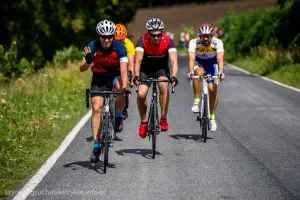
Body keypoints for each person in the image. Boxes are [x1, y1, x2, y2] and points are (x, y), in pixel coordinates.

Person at [79, 20, 129, 163]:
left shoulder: (120, 47)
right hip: (99, 77)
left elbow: (124, 70)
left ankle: (118, 115)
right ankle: (96, 146)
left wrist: (125, 88)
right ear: (99, 36)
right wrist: (88, 61)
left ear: (113, 36)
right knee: (96, 108)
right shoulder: (93, 46)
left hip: (114, 75)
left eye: (109, 37)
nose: (106, 40)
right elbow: (81, 69)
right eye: (103, 37)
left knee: (121, 87)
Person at [133, 18, 178, 139]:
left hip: (161, 70)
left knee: (164, 86)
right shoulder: (142, 41)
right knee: (141, 94)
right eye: (153, 35)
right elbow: (137, 61)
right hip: (146, 70)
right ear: (148, 33)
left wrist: (173, 76)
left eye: (159, 35)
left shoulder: (168, 41)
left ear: (162, 32)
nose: (156, 38)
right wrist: (136, 75)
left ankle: (163, 118)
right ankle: (143, 122)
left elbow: (173, 61)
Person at [187, 23, 225, 132]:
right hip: (200, 65)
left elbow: (220, 60)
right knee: (197, 73)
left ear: (212, 36)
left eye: (208, 35)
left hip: (212, 66)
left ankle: (212, 118)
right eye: (204, 35)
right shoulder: (194, 42)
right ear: (200, 36)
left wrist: (221, 72)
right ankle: (196, 102)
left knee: (212, 90)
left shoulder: (217, 43)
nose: (206, 38)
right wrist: (190, 72)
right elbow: (191, 59)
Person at [114, 23, 135, 119]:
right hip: (113, 65)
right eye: (116, 40)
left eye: (121, 40)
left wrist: (131, 77)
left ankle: (123, 106)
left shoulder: (129, 44)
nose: (118, 42)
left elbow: (130, 63)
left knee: (124, 84)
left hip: (124, 65)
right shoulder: (109, 43)